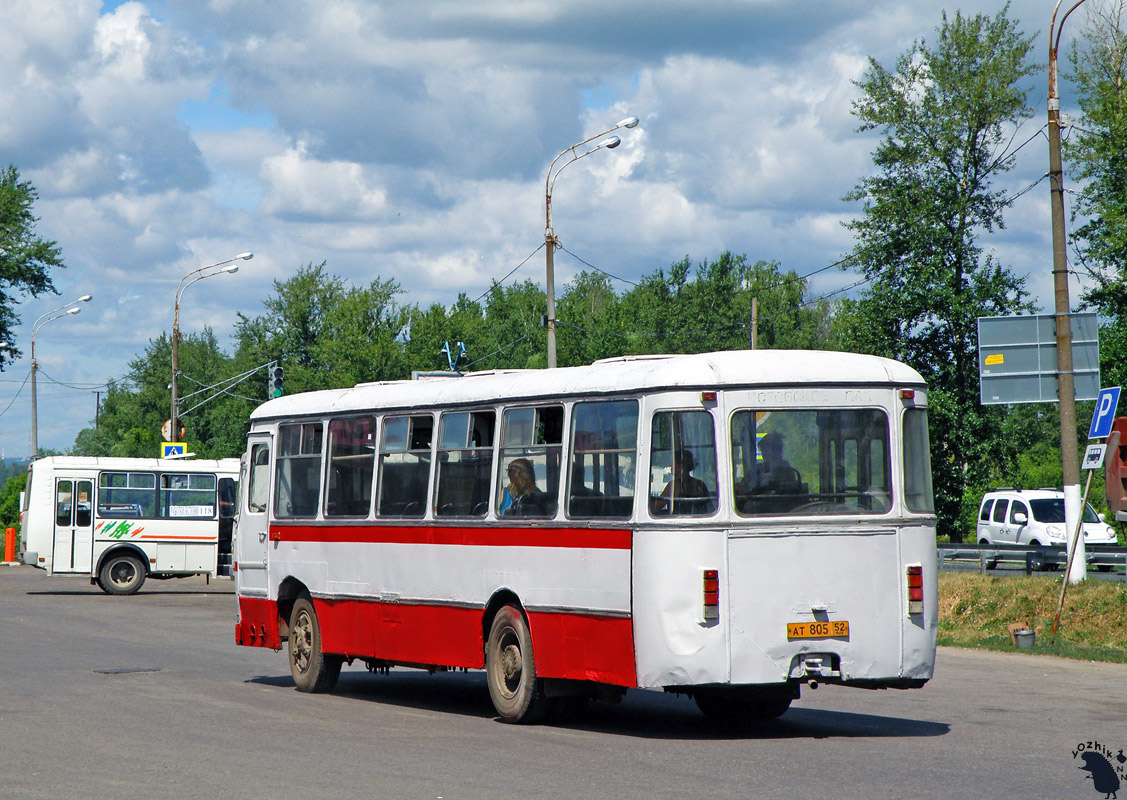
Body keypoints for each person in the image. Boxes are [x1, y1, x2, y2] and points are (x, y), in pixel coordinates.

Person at [652, 450, 712, 514]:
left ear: (679, 466)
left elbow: (655, 507)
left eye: (672, 463)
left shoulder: (675, 486)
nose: (670, 465)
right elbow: (710, 508)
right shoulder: (699, 484)